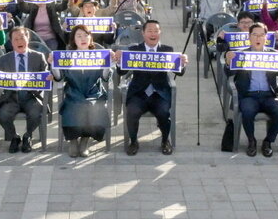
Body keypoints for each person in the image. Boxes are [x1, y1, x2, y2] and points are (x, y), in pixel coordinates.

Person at [119, 20, 184, 156]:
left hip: (159, 93)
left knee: (163, 113)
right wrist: (119, 61)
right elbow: (122, 72)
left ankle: (165, 141)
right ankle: (133, 141)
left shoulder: (167, 50)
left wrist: (182, 63)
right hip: (139, 93)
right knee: (132, 111)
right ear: (143, 33)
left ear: (160, 33)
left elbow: (179, 72)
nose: (153, 34)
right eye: (149, 31)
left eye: (156, 31)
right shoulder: (134, 50)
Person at [227, 23, 278, 158]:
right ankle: (251, 141)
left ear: (266, 38)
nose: (258, 38)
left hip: (269, 95)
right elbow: (228, 72)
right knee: (247, 111)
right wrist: (227, 61)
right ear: (249, 37)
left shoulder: (274, 54)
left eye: (261, 35)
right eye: (255, 35)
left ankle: (268, 141)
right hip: (249, 95)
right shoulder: (241, 54)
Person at [56, 25, 111, 157]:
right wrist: (54, 64)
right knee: (74, 106)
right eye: (79, 36)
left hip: (94, 92)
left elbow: (104, 77)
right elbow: (59, 77)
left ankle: (85, 140)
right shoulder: (67, 56)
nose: (83, 39)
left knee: (93, 107)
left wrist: (108, 64)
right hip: (73, 92)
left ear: (91, 38)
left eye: (86, 35)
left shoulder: (98, 55)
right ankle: (73, 141)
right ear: (73, 40)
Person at [0, 27, 48, 153]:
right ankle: (14, 137)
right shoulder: (4, 59)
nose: (19, 41)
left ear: (28, 38)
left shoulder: (38, 57)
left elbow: (45, 77)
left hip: (32, 96)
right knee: (3, 114)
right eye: (16, 39)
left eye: (22, 38)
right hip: (11, 97)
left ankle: (27, 136)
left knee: (36, 112)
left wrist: (49, 75)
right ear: (11, 42)